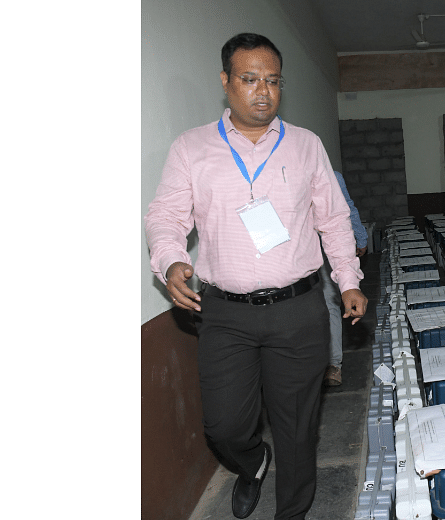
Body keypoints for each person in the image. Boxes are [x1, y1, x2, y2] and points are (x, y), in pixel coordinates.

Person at [144, 33, 367, 520]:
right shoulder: (191, 149)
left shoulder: (306, 146)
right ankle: (252, 463)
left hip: (298, 310)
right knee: (224, 426)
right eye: (250, 79)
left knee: (297, 429)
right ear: (226, 82)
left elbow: (332, 218)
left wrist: (348, 279)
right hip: (224, 313)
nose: (263, 91)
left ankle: (293, 511)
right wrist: (170, 259)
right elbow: (165, 216)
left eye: (272, 81)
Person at [321, 171, 368, 387]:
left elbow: (347, 208)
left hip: (328, 248)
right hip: (294, 254)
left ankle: (333, 364)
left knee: (331, 300)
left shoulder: (333, 176)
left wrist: (360, 236)